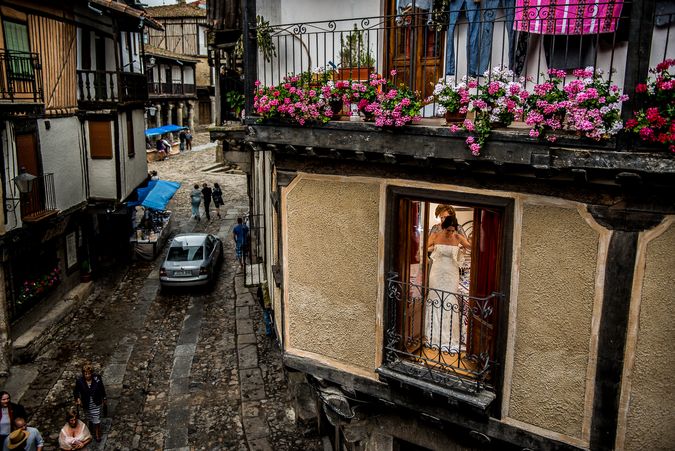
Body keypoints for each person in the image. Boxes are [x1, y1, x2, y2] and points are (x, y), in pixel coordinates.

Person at [425, 215, 471, 352]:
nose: (450, 233)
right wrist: (434, 248)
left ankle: (449, 336)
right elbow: (425, 248)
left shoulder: (458, 238)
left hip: (452, 273)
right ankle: (433, 335)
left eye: (452, 230)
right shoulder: (435, 235)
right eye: (448, 230)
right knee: (435, 298)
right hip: (437, 272)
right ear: (443, 227)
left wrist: (464, 248)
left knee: (449, 299)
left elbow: (471, 247)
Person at [73, 363, 106, 442]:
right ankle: (91, 426)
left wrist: (104, 398)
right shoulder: (80, 381)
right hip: (86, 403)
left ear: (91, 373)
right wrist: (78, 399)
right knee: (89, 417)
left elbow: (102, 388)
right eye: (85, 374)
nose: (87, 375)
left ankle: (97, 433)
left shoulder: (97, 378)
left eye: (89, 373)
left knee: (97, 419)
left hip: (96, 402)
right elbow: (76, 391)